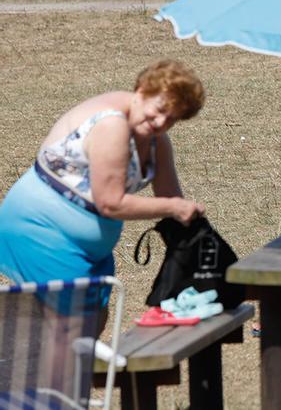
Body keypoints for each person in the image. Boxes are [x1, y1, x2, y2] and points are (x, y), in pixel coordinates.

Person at [0, 60, 206, 315]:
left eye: (172, 118)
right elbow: (110, 203)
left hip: (89, 249)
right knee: (70, 326)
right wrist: (175, 207)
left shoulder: (156, 141)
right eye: (161, 108)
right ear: (142, 90)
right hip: (41, 231)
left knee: (94, 320)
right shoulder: (112, 124)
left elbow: (171, 198)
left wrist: (198, 241)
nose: (161, 121)